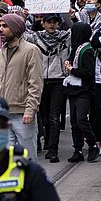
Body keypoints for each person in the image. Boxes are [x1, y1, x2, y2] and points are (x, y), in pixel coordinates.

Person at [0, 13, 44, 162]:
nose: (0, 30)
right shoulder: (1, 52)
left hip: (22, 114)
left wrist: (30, 109)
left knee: (28, 158)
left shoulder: (30, 50)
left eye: (5, 26)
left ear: (15, 29)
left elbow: (35, 83)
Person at [25, 14, 71, 163]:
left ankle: (53, 150)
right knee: (44, 117)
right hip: (41, 80)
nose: (52, 25)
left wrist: (68, 15)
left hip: (58, 80)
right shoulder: (36, 38)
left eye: (55, 22)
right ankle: (46, 139)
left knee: (54, 117)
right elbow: (22, 35)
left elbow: (76, 29)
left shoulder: (65, 37)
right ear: (42, 23)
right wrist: (24, 17)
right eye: (49, 22)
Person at [62, 21, 100, 164]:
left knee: (81, 119)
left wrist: (72, 70)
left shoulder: (87, 50)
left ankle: (92, 144)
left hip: (84, 90)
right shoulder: (76, 49)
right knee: (74, 122)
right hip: (74, 89)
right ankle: (78, 149)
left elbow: (89, 73)